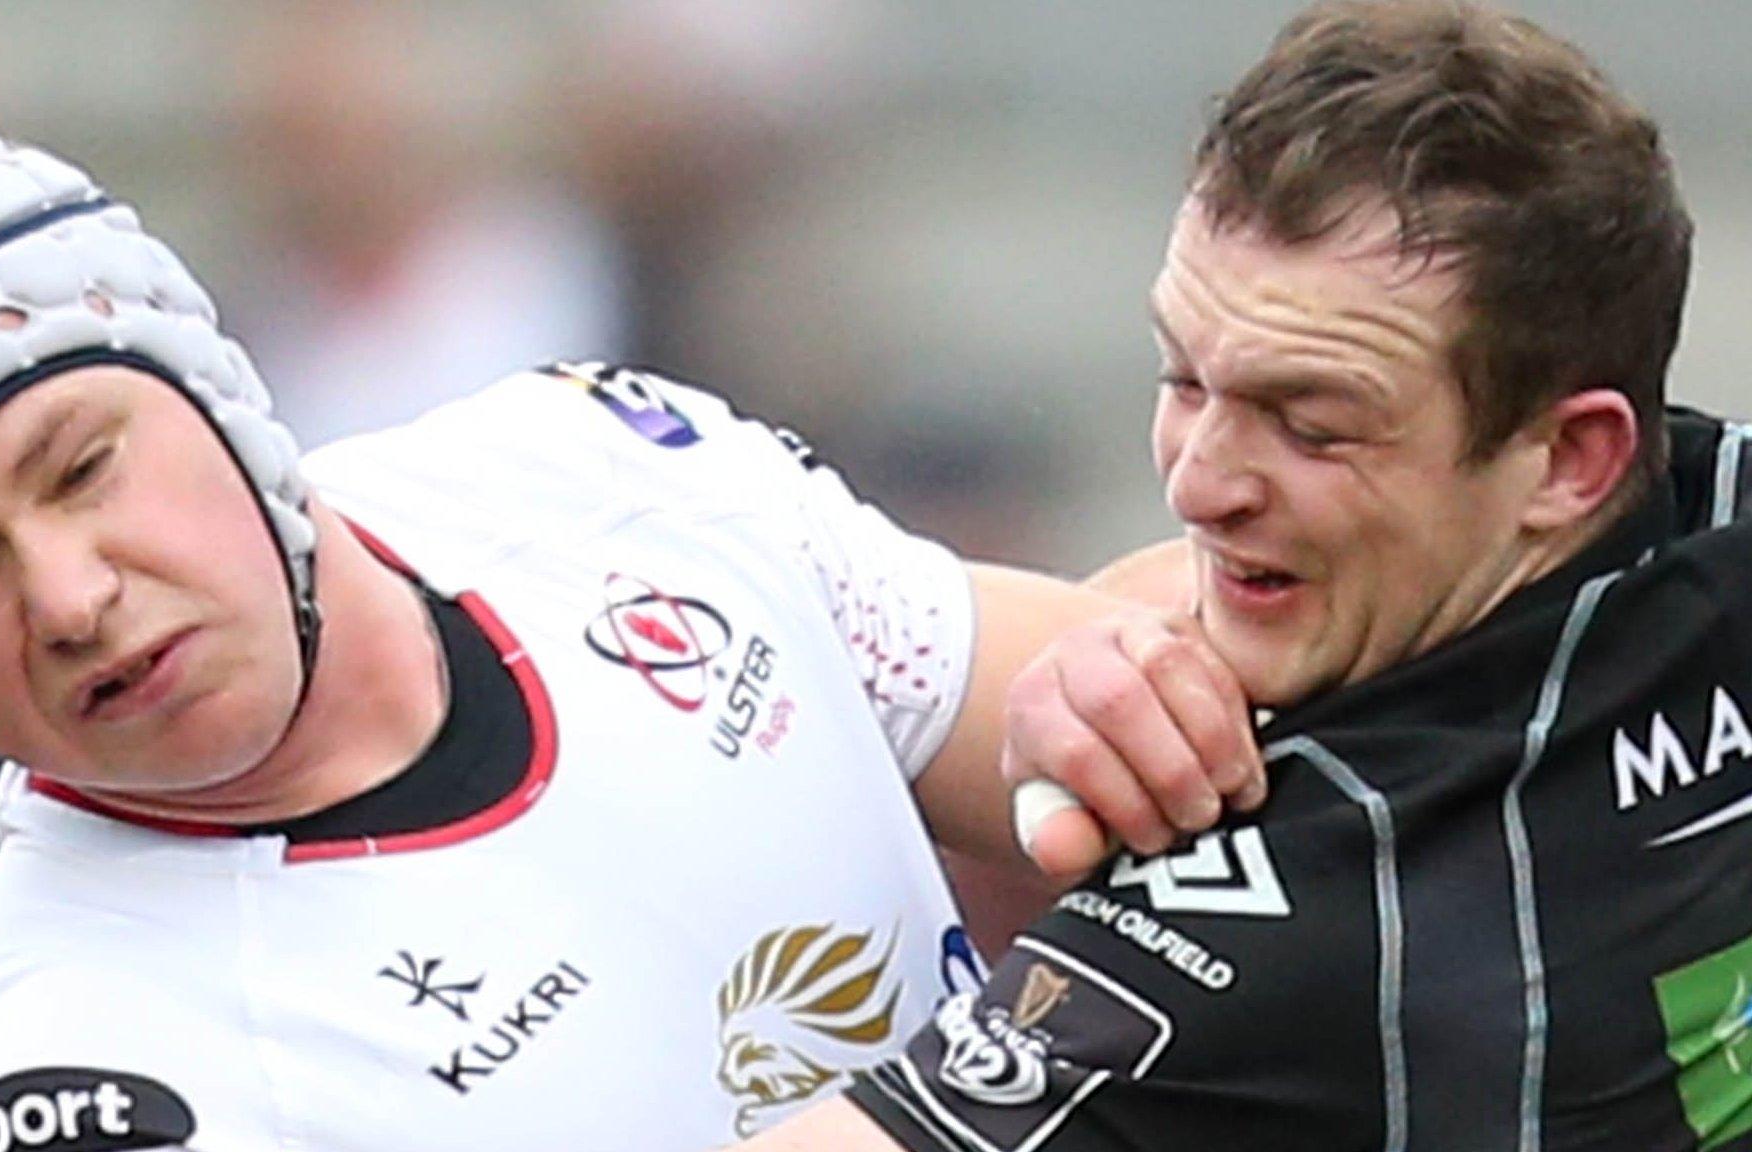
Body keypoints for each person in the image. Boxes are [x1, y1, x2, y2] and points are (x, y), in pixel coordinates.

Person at [0, 124, 1249, 1149]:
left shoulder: (583, 459)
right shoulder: (96, 1080)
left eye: (84, 466)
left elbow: (1116, 724)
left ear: (221, 393)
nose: (66, 596)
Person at [738, 2, 1752, 1150]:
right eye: (1181, 380)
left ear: (1569, 459)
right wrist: (1116, 627)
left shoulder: (1303, 920)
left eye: (1310, 425)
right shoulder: (1702, 515)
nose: (1199, 479)